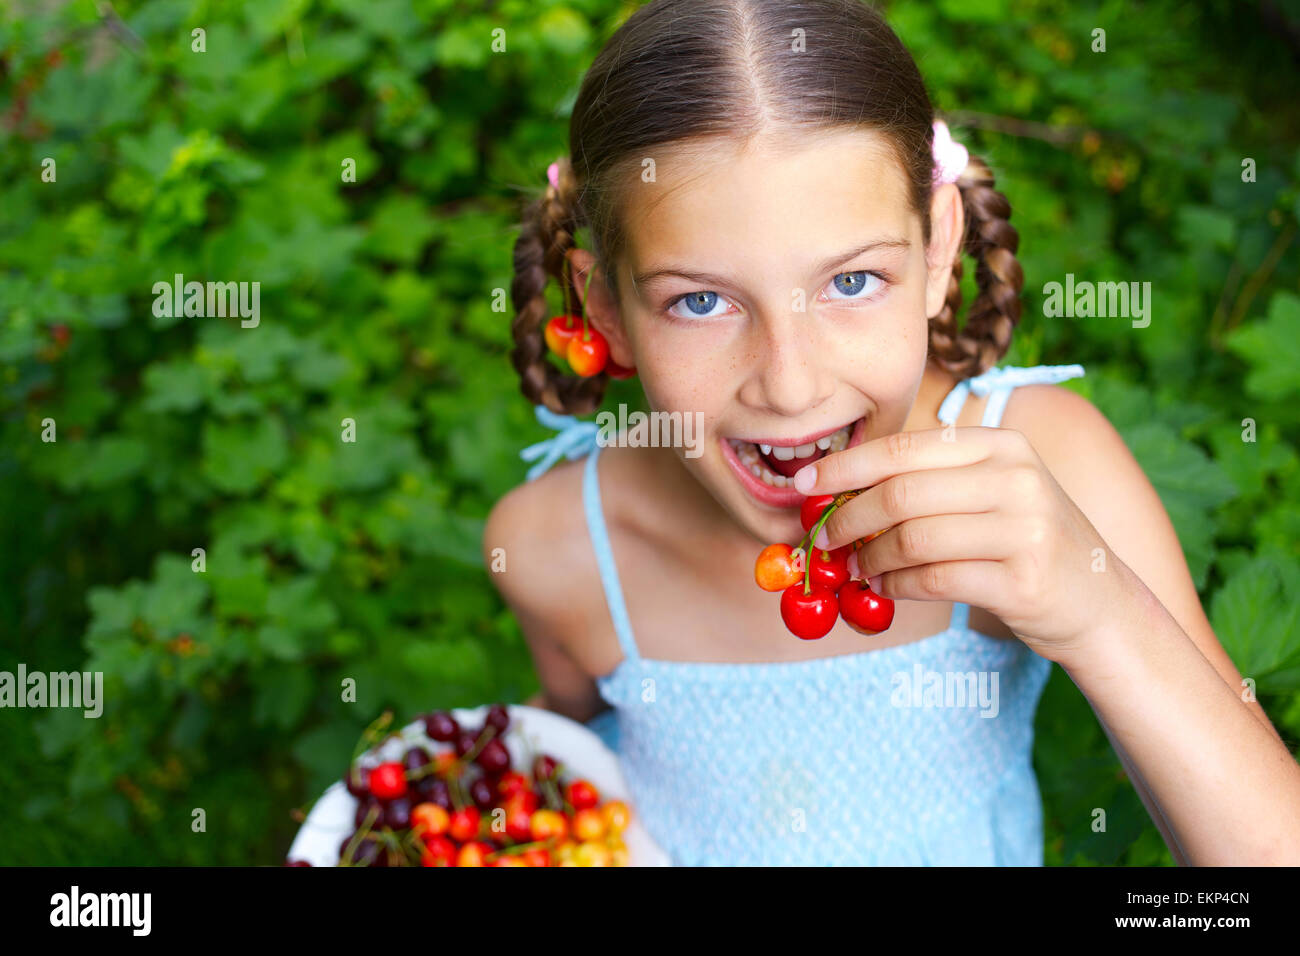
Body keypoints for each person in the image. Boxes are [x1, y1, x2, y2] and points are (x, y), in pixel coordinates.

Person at [482, 0, 1300, 865]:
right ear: (602, 307)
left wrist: (1098, 610)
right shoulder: (552, 547)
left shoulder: (1047, 476)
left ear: (939, 250)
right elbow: (565, 749)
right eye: (701, 301)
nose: (791, 386)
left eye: (852, 281)